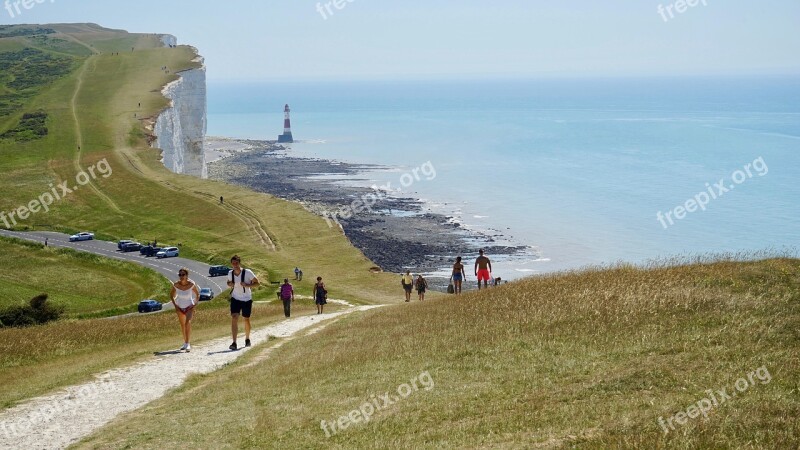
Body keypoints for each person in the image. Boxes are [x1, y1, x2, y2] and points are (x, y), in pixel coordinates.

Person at [227, 255, 259, 350]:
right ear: (231, 264)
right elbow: (228, 282)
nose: (235, 265)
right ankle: (234, 342)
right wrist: (230, 284)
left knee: (246, 318)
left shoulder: (248, 272)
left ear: (239, 263)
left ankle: (247, 338)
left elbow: (257, 283)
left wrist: (247, 285)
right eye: (233, 263)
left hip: (246, 299)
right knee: (234, 317)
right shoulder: (230, 273)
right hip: (235, 298)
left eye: (236, 263)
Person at [170, 268, 200, 352]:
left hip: (189, 306)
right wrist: (175, 306)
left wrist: (194, 305)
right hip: (179, 306)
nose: (181, 276)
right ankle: (185, 342)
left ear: (187, 276)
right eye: (180, 275)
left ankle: (188, 343)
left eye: (183, 275)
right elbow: (171, 295)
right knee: (182, 325)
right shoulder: (176, 285)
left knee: (187, 323)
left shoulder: (191, 284)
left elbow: (197, 295)